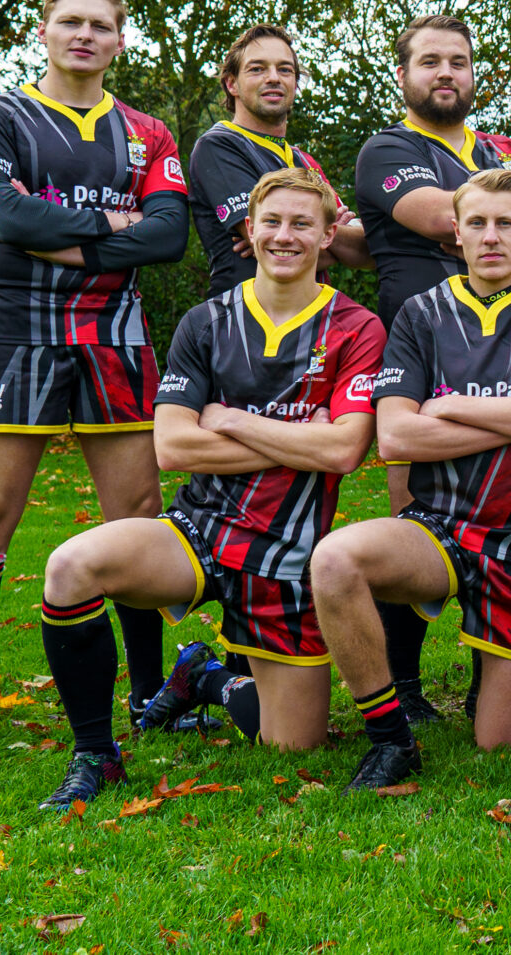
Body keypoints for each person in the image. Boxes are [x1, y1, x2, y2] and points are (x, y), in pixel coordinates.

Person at [0, 0, 192, 758]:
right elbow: (1, 215)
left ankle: (152, 698)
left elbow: (166, 236)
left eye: (100, 25)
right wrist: (108, 225)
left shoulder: (148, 131)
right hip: (15, 328)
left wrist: (60, 232)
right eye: (70, 22)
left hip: (116, 335)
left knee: (136, 519)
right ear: (45, 31)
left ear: (120, 40)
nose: (84, 35)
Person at [29, 168, 383, 807]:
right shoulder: (205, 321)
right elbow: (173, 447)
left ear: (329, 235)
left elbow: (343, 450)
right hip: (201, 530)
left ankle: (208, 676)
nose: (285, 235)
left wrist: (231, 419)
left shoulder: (358, 328)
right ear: (249, 230)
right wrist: (296, 435)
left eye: (303, 223)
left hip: (289, 555)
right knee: (71, 566)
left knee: (293, 748)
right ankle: (95, 756)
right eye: (272, 222)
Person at [306, 169, 511, 789]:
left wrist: (449, 406)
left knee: (499, 746)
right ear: (456, 236)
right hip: (438, 526)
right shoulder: (421, 313)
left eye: (505, 223)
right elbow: (396, 437)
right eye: (477, 223)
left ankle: (491, 680)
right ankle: (390, 739)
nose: (491, 236)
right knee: (335, 561)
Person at [353, 14, 511, 719]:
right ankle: (407, 687)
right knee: (414, 511)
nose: (445, 72)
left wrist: (499, 248)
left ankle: (501, 667)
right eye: (429, 60)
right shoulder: (388, 146)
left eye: (458, 60)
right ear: (404, 73)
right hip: (422, 348)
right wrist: (498, 231)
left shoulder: (503, 147)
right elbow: (431, 214)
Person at [186, 24, 368, 297]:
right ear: (231, 83)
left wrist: (303, 238)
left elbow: (366, 250)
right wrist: (329, 231)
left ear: (295, 83)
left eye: (284, 70)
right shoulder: (219, 145)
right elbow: (276, 251)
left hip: (312, 321)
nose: (273, 78)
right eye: (257, 69)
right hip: (242, 320)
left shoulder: (304, 162)